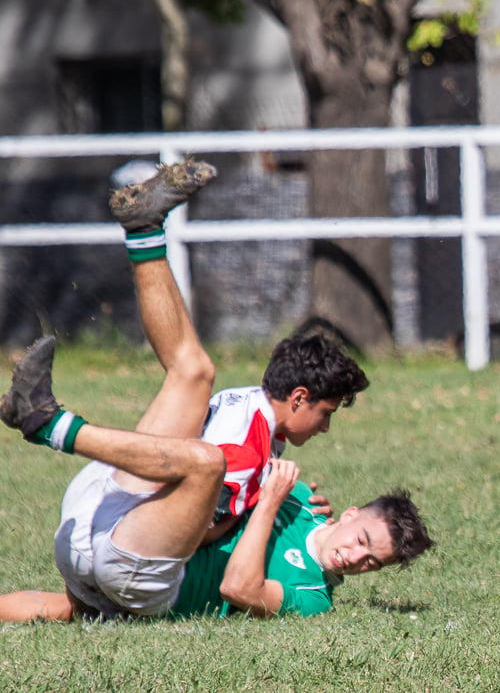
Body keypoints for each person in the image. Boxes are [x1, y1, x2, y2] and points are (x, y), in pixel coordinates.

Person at [0, 334, 432, 621]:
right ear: (351, 514)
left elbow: (239, 588)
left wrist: (266, 505)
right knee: (192, 373)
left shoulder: (314, 596)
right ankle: (145, 235)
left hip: (151, 581)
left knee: (205, 464)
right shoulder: (297, 495)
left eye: (372, 563)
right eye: (362, 543)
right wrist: (280, 497)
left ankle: (54, 427)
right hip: (121, 529)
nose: (357, 560)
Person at [106, 159, 371, 543]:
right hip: (129, 538)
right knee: (190, 367)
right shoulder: (245, 450)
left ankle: (146, 234)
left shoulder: (249, 404)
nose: (326, 427)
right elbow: (198, 534)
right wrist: (265, 505)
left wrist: (285, 499)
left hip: (111, 505)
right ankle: (144, 231)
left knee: (191, 366)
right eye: (326, 413)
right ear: (298, 398)